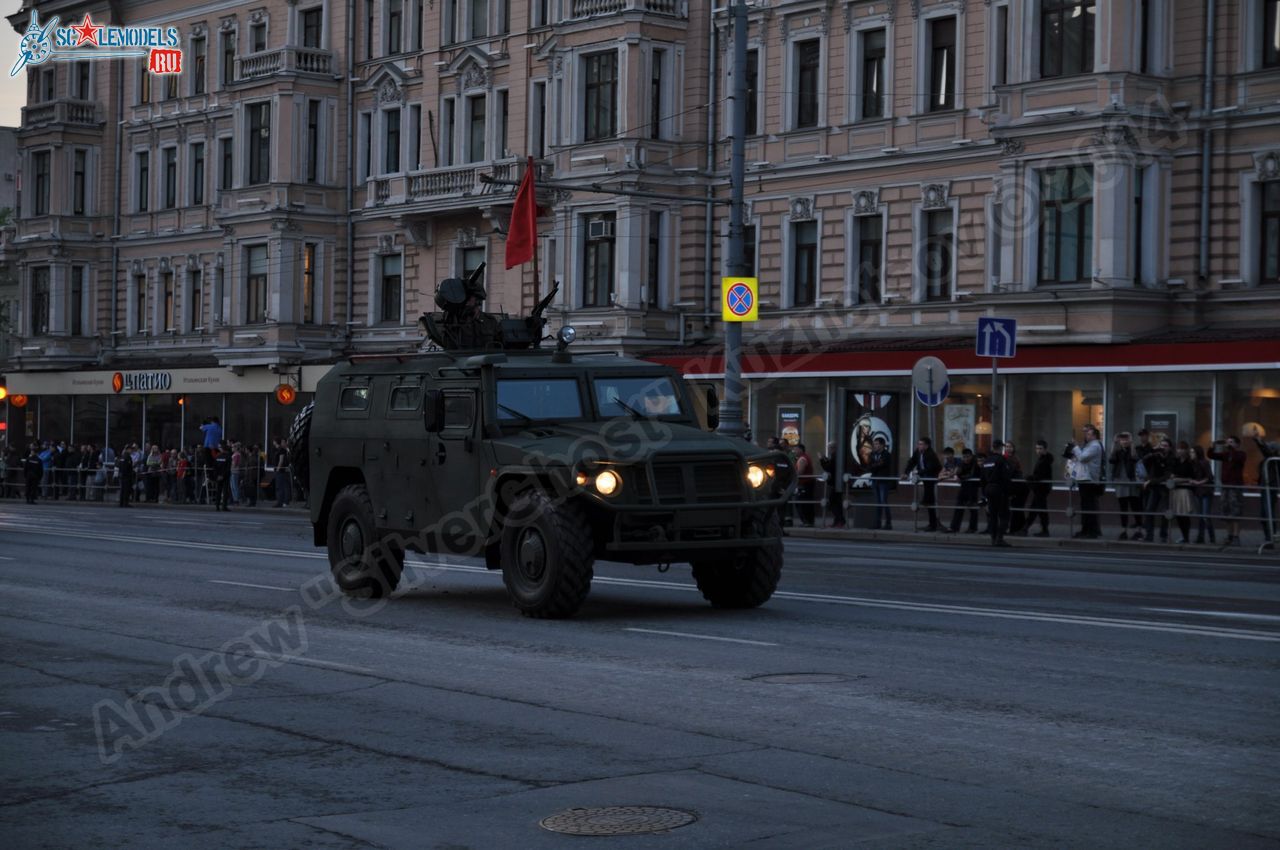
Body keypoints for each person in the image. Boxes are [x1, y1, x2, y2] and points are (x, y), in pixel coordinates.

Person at [1067, 424, 1104, 539]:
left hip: (1089, 479)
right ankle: (1086, 529)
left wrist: (1076, 447)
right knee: (1085, 505)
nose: (1086, 436)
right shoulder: (1089, 445)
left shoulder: (1095, 446)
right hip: (1084, 478)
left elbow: (1083, 457)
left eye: (1088, 434)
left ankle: (1090, 531)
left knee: (1089, 506)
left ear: (1094, 436)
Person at [1209, 436, 1247, 546]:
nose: (1228, 444)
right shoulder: (1225, 455)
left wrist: (1231, 448)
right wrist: (1212, 446)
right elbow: (1211, 455)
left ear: (1237, 444)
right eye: (1228, 442)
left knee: (1235, 512)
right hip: (1225, 487)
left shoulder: (1241, 454)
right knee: (1226, 512)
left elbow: (1237, 458)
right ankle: (1229, 535)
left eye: (1231, 442)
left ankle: (1236, 536)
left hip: (1235, 487)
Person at [903, 437, 942, 531]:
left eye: (921, 444)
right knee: (929, 501)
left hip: (931, 477)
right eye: (918, 444)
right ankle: (932, 523)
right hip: (925, 477)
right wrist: (906, 472)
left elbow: (930, 468)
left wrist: (918, 472)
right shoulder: (918, 452)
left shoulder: (930, 454)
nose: (919, 446)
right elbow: (912, 462)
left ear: (927, 445)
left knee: (930, 500)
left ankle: (933, 524)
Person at [1109, 431, 1142, 540]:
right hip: (1120, 481)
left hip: (1131, 481)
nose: (1124, 441)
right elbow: (1111, 460)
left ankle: (1139, 530)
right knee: (1123, 508)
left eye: (1126, 439)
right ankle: (1124, 531)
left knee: (1135, 507)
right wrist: (1114, 443)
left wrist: (1131, 443)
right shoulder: (1118, 451)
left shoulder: (1134, 449)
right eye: (1122, 439)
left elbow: (1135, 458)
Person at [1138, 439, 1173, 543]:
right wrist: (1153, 451)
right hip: (1155, 487)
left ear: (1170, 447)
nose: (1163, 448)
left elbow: (1167, 475)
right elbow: (1144, 461)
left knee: (1165, 512)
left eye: (1165, 446)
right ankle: (1149, 535)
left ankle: (1163, 535)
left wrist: (1151, 481)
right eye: (1161, 445)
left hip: (1165, 488)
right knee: (1149, 511)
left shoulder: (1171, 458)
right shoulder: (1155, 456)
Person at [980, 440, 1013, 547]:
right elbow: (1006, 476)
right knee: (1004, 515)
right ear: (1000, 448)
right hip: (999, 489)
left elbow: (982, 479)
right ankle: (999, 538)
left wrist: (984, 494)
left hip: (988, 489)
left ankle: (993, 538)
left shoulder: (986, 460)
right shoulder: (1001, 460)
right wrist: (1009, 492)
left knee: (992, 515)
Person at [1252, 428, 1280, 543]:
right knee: (1264, 514)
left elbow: (1267, 451)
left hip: (1271, 487)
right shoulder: (1268, 460)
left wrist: (1258, 440)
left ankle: (1271, 537)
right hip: (1265, 487)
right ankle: (1269, 536)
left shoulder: (1274, 460)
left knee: (1268, 512)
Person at [1168, 442, 1198, 545]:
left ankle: (1186, 537)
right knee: (1178, 515)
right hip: (1176, 490)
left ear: (1186, 450)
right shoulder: (1175, 461)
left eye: (1182, 449)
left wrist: (1179, 479)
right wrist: (1181, 479)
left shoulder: (1190, 463)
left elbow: (1191, 478)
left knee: (1185, 515)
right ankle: (1184, 536)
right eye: (1178, 449)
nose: (1180, 451)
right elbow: (1172, 476)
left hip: (1185, 491)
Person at [947, 448, 981, 534]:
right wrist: (957, 474)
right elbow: (957, 473)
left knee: (973, 509)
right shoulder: (961, 463)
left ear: (971, 456)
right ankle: (954, 527)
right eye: (964, 457)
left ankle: (973, 528)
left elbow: (971, 475)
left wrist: (961, 477)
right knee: (958, 507)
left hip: (972, 488)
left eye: (968, 457)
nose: (966, 459)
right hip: (964, 488)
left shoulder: (975, 463)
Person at [1026, 439, 1054, 537]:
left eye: (1040, 448)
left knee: (1040, 509)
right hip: (1040, 488)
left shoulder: (1045, 461)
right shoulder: (1042, 459)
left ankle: (1043, 530)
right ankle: (1026, 528)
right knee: (1036, 509)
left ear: (1045, 449)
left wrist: (1029, 478)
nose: (1038, 450)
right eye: (1037, 448)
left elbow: (1040, 475)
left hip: (1041, 488)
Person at [1190, 445, 1216, 545]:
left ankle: (1212, 538)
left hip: (1205, 492)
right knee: (1200, 516)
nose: (1191, 454)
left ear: (1197, 453)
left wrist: (1198, 482)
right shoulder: (1192, 463)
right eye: (1190, 452)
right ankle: (1200, 537)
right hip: (1198, 492)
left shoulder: (1204, 463)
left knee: (1205, 516)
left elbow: (1209, 477)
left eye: (1192, 452)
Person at [867, 436, 894, 530]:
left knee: (883, 502)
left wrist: (876, 465)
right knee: (877, 502)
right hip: (875, 480)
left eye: (877, 444)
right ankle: (877, 523)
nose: (875, 446)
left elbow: (882, 464)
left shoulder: (886, 454)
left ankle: (888, 523)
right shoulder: (872, 454)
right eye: (874, 444)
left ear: (882, 445)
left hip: (883, 481)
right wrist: (877, 464)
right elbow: (869, 466)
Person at [819, 442, 845, 528]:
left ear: (833, 448)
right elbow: (830, 465)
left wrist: (822, 459)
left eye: (829, 448)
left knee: (833, 501)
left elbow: (829, 467)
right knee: (836, 502)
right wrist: (825, 459)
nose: (828, 450)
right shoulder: (836, 456)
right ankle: (838, 521)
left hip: (836, 483)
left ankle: (840, 520)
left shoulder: (835, 456)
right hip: (836, 482)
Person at [1004, 442, 1029, 535]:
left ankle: (1015, 529)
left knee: (1016, 508)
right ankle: (1021, 528)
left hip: (1018, 486)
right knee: (1017, 508)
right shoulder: (1005, 458)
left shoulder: (1013, 459)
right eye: (1006, 447)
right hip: (1015, 486)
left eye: (1010, 447)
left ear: (1013, 448)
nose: (1008, 448)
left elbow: (1010, 472)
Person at [793, 443, 815, 527]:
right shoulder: (805, 457)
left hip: (804, 483)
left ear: (800, 450)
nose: (794, 451)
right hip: (806, 483)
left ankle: (807, 521)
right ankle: (808, 521)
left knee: (802, 502)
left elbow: (800, 472)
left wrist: (793, 475)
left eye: (795, 449)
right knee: (804, 502)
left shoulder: (802, 459)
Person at [212, 442, 232, 511]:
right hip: (225, 477)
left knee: (218, 491)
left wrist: (217, 476)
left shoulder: (217, 456)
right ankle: (224, 506)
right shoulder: (228, 457)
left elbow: (215, 467)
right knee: (225, 492)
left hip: (218, 476)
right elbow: (228, 468)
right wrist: (223, 476)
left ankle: (217, 506)